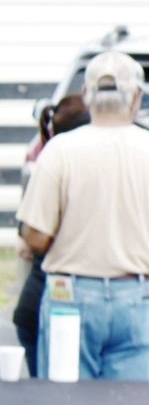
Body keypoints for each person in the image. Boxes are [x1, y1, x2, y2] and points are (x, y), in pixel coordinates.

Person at [16, 52, 149, 381]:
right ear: (136, 97)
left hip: (70, 294)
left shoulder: (59, 152)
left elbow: (36, 236)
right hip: (137, 297)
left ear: (86, 95)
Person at [13, 94, 90, 376]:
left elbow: (26, 244)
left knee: (51, 394)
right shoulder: (64, 164)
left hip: (36, 300)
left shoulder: (49, 164)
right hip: (56, 303)